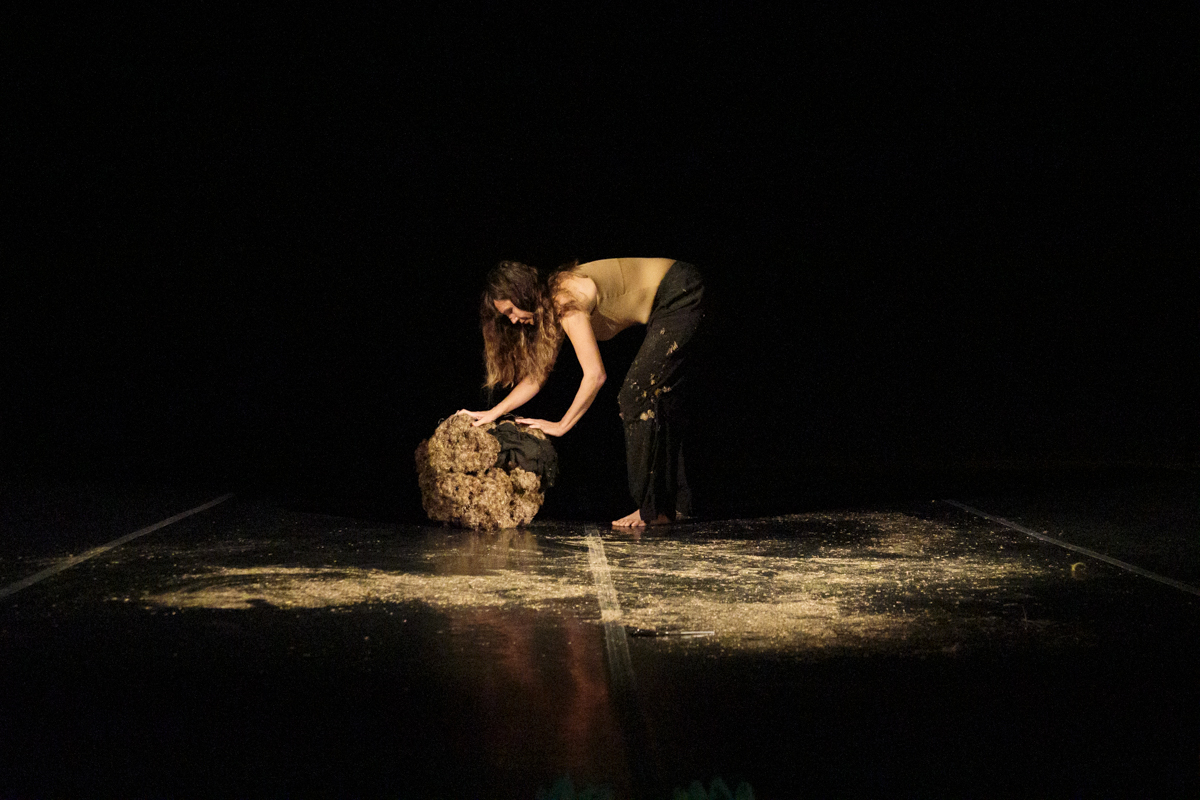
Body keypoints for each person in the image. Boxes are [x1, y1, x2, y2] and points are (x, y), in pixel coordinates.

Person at [459, 257, 705, 527]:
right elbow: (537, 376)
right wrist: (493, 413)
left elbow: (595, 375)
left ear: (522, 292)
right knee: (661, 399)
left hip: (678, 289)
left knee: (636, 395)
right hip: (675, 290)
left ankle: (654, 510)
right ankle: (678, 505)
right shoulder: (551, 303)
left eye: (510, 310)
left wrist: (561, 425)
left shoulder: (565, 298)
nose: (514, 319)